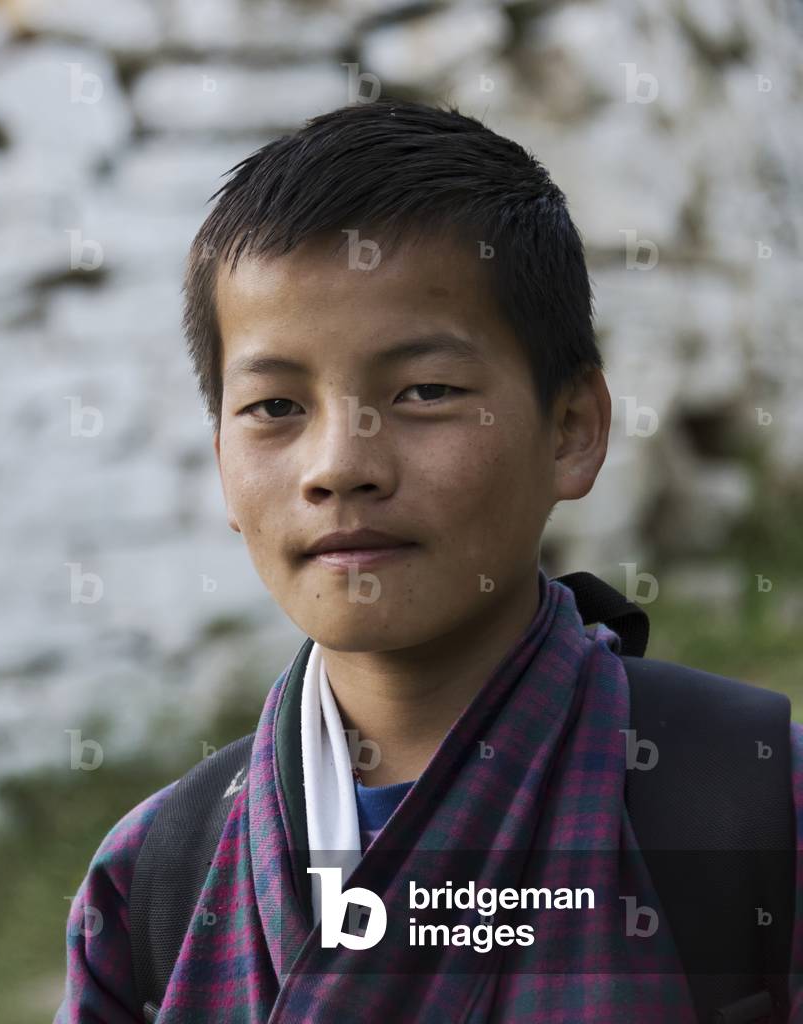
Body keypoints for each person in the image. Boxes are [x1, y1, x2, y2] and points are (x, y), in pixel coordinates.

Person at [53, 98, 803, 1023]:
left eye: (425, 391)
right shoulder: (153, 885)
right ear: (218, 458)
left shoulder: (753, 810)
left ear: (571, 429)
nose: (339, 467)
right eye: (275, 408)